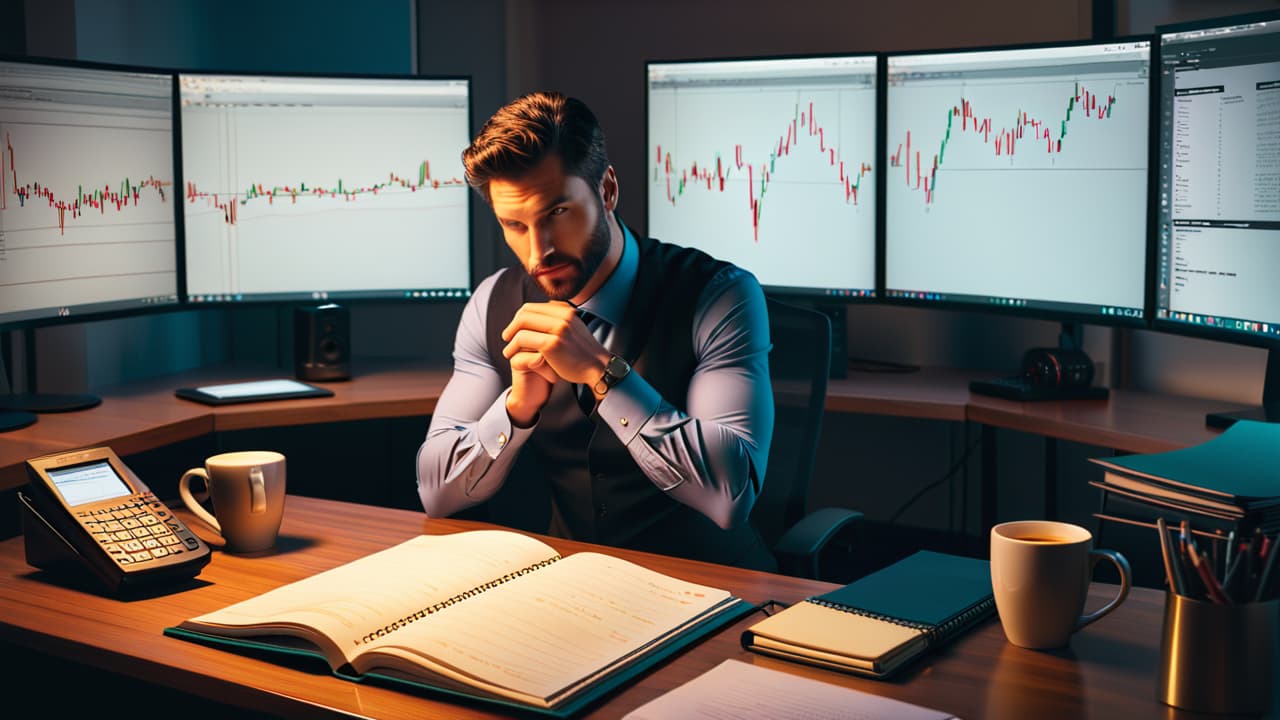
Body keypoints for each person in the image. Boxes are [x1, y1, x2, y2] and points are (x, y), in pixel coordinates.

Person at [416, 91, 775, 570]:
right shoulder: (493, 303)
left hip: (715, 586)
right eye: (514, 225)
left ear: (606, 189)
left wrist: (604, 374)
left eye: (556, 214)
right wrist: (516, 409)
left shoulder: (720, 295)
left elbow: (732, 496)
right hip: (576, 587)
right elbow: (436, 493)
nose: (538, 251)